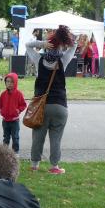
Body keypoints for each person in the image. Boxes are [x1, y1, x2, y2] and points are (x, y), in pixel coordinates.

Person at [24, 24, 79, 174]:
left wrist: (42, 43)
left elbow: (28, 45)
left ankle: (34, 165)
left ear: (48, 47)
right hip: (60, 105)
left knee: (38, 136)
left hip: (41, 106)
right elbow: (74, 45)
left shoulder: (38, 60)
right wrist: (65, 38)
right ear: (60, 46)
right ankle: (54, 166)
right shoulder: (63, 60)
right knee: (56, 138)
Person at [0, 72, 26, 153]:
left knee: (15, 137)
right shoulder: (3, 94)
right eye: (7, 81)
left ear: (15, 82)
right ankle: (4, 153)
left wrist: (18, 110)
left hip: (14, 121)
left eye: (12, 82)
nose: (9, 84)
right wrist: (1, 110)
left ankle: (15, 153)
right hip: (5, 121)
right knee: (6, 138)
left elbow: (23, 105)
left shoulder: (19, 94)